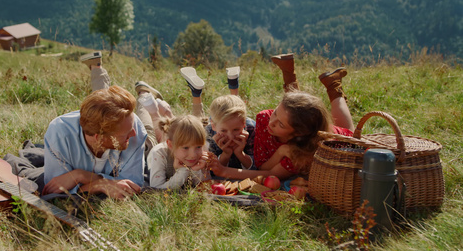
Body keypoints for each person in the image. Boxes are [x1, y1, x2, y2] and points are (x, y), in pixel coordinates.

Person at [210, 54, 354, 181]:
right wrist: (280, 152)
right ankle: (290, 73)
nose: (271, 123)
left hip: (339, 140)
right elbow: (261, 167)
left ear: (298, 133)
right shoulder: (264, 118)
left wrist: (224, 171)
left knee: (347, 131)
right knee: (294, 108)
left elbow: (272, 174)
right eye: (276, 113)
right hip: (298, 120)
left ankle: (335, 88)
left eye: (281, 125)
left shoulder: (301, 151)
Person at [42, 86, 146, 199]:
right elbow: (57, 192)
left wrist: (81, 176)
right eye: (125, 134)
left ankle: (145, 96)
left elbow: (131, 186)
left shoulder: (135, 127)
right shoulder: (59, 135)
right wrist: (101, 184)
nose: (133, 134)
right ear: (99, 138)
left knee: (153, 132)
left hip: (147, 143)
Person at [180, 66, 257, 172]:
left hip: (228, 120)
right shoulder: (209, 132)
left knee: (235, 109)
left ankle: (233, 84)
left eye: (236, 130)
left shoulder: (251, 128)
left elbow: (255, 168)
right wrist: (226, 153)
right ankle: (196, 93)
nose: (230, 136)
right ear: (214, 126)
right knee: (197, 123)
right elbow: (212, 171)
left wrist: (240, 153)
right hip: (216, 122)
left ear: (244, 125)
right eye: (223, 131)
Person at [148, 115, 213, 189]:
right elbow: (156, 190)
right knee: (148, 133)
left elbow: (207, 188)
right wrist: (183, 171)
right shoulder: (159, 153)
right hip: (148, 155)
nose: (193, 155)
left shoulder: (203, 149)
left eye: (198, 147)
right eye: (185, 148)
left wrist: (196, 170)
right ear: (170, 145)